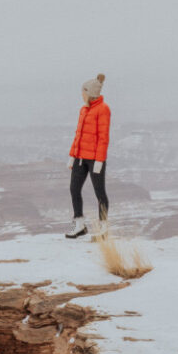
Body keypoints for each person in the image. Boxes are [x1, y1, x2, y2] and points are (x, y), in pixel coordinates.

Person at [65, 72, 110, 238]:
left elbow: (103, 137)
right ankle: (79, 225)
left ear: (90, 93)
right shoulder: (84, 110)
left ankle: (104, 228)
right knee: (74, 188)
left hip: (94, 159)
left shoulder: (103, 109)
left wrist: (99, 160)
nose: (81, 95)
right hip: (80, 157)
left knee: (100, 192)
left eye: (83, 92)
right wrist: (73, 155)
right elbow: (78, 135)